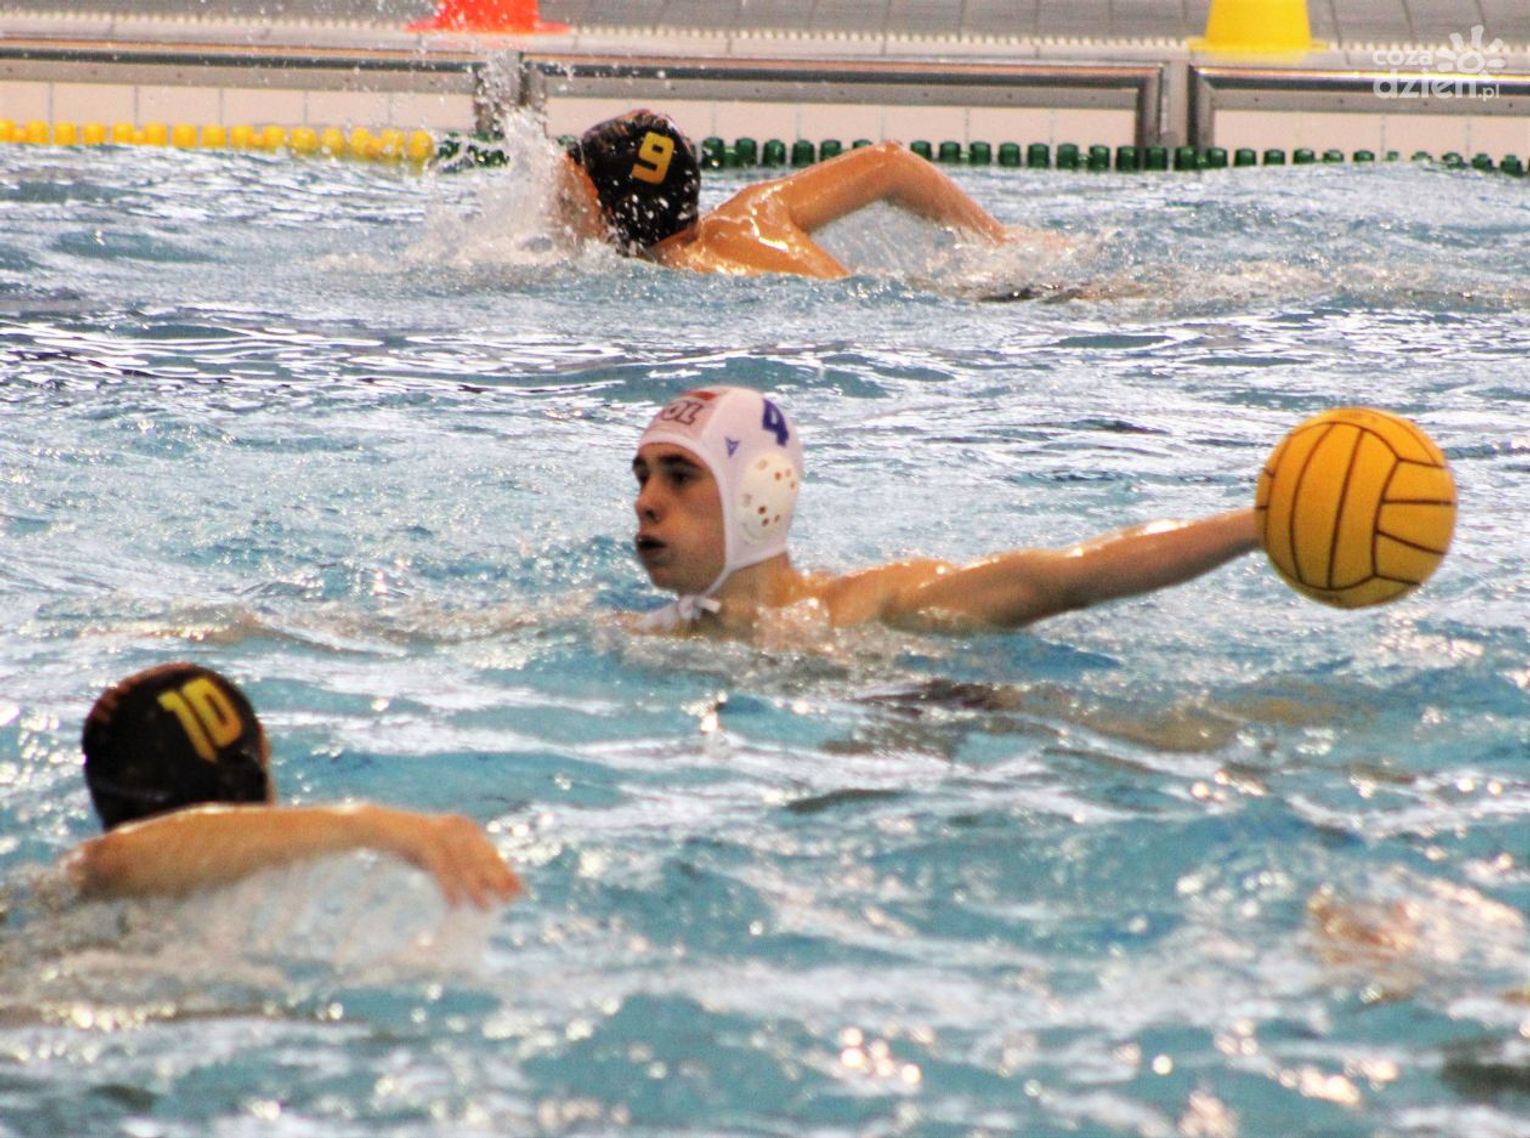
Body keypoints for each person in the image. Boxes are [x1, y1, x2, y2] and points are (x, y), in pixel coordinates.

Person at [630, 385, 1260, 637]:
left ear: (760, 493)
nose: (646, 502)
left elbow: (1067, 579)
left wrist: (1254, 525)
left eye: (680, 476)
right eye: (644, 477)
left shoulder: (874, 607)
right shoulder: (646, 635)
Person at [64, 662, 521, 909]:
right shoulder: (98, 881)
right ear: (255, 773)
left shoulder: (79, 908)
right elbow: (114, 862)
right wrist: (365, 824)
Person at [559, 109, 1031, 279]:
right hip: (983, 292)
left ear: (615, 214)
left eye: (571, 202)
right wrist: (999, 241)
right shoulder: (750, 213)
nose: (559, 216)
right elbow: (890, 163)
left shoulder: (677, 280)